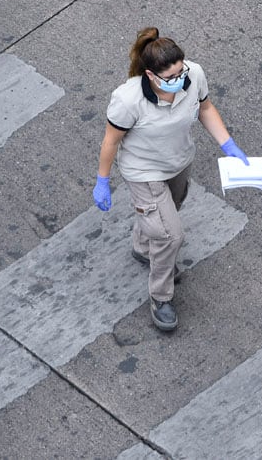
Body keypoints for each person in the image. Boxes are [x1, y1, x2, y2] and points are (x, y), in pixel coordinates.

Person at [93, 27, 250, 332]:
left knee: (170, 210)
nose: (180, 79)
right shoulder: (128, 100)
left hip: (178, 163)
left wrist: (228, 145)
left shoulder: (194, 75)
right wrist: (102, 181)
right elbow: (111, 141)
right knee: (169, 236)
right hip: (145, 172)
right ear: (151, 75)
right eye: (172, 76)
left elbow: (205, 108)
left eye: (182, 70)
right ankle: (161, 297)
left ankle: (142, 246)